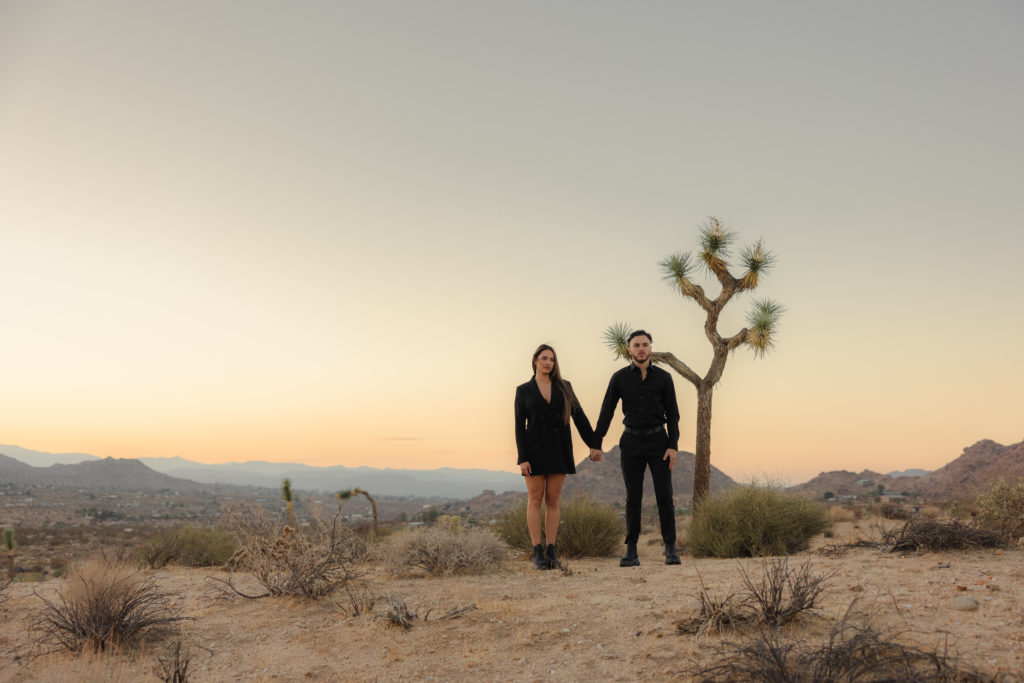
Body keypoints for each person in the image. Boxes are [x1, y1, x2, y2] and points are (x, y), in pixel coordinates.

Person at [594, 329, 682, 566]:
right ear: (629, 349)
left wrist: (673, 445)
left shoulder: (664, 378)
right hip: (631, 442)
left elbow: (672, 413)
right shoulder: (619, 377)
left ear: (651, 347)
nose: (641, 348)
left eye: (644, 344)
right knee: (633, 497)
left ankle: (671, 549)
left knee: (665, 495)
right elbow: (607, 411)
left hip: (658, 442)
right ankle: (631, 551)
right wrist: (596, 442)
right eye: (636, 345)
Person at [514, 344, 602, 569]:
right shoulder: (523, 390)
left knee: (553, 500)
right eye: (544, 358)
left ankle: (551, 550)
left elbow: (579, 417)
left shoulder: (565, 387)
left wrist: (594, 444)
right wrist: (522, 457)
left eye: (551, 359)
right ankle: (537, 551)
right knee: (535, 500)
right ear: (534, 360)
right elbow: (519, 426)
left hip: (559, 449)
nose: (548, 363)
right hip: (533, 451)